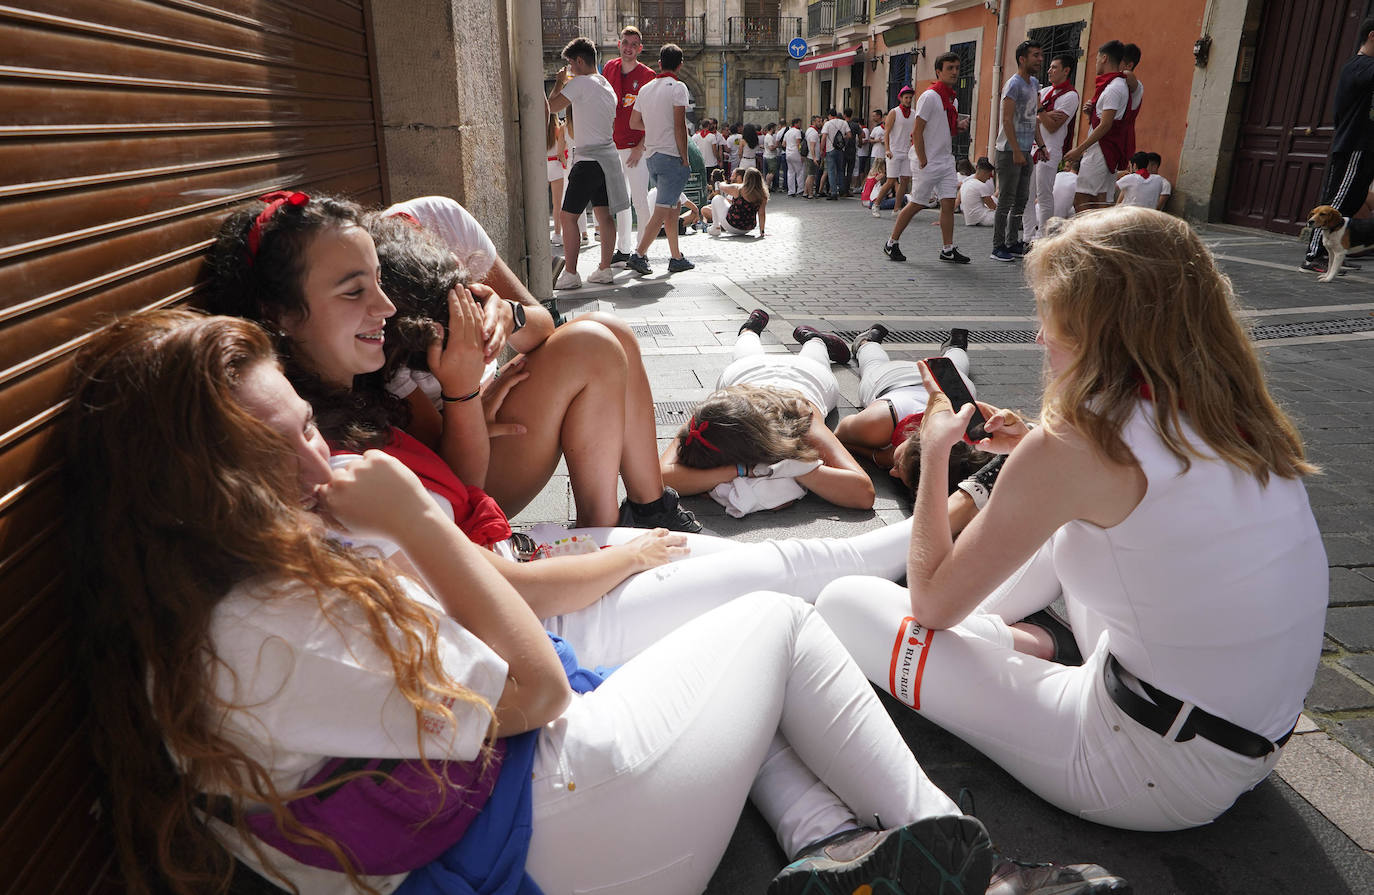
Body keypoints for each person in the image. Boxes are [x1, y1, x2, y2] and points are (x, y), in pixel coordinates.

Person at [67, 307, 1029, 895]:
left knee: (732, 654)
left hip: (513, 824)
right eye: (289, 443)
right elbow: (537, 693)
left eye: (311, 426)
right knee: (778, 623)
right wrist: (418, 522)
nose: (320, 451)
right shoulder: (264, 620)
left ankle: (834, 839)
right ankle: (973, 871)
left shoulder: (213, 584)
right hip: (545, 846)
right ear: (205, 480)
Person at [816, 206, 1326, 839]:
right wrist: (1031, 450)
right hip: (1249, 736)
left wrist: (941, 445)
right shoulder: (1237, 415)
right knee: (1060, 531)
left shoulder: (1081, 442)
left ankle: (997, 642)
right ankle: (1002, 641)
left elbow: (929, 601)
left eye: (1049, 317)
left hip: (1146, 772)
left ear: (1097, 331)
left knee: (843, 602)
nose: (1038, 337)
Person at [202, 192, 703, 536]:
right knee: (593, 343)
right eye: (357, 289)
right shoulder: (368, 351)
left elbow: (541, 323)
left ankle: (648, 505)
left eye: (375, 282)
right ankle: (602, 529)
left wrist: (504, 315)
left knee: (608, 330)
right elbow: (440, 475)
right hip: (464, 456)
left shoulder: (437, 222)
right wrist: (468, 397)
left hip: (477, 424)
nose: (384, 307)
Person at [662, 310, 879, 512]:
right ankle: (750, 331)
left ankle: (816, 339)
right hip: (746, 371)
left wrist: (790, 468)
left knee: (814, 358)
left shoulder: (802, 421)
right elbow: (659, 477)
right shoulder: (715, 416)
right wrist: (740, 470)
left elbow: (864, 493)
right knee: (746, 357)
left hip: (807, 375)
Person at [835, 325, 994, 505]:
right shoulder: (878, 423)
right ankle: (866, 342)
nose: (892, 472)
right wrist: (875, 455)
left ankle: (956, 347)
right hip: (896, 379)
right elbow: (838, 435)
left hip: (954, 384)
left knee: (956, 368)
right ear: (913, 441)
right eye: (900, 465)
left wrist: (884, 456)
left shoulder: (975, 444)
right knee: (873, 365)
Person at [547, 37, 626, 289]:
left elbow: (551, 107)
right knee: (604, 215)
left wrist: (559, 82)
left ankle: (570, 273)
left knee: (568, 217)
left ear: (580, 61)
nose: (569, 69)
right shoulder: (606, 85)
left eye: (570, 64)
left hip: (588, 160)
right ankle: (604, 269)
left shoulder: (580, 83)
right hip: (608, 159)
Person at [1302, 16, 1374, 274]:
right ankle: (1313, 257)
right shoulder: (1359, 66)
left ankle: (1334, 253)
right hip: (1354, 145)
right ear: (1372, 36)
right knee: (1336, 202)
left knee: (1352, 201)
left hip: (1367, 147)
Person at [884, 54, 971, 265]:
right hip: (927, 161)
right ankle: (891, 243)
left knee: (948, 204)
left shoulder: (952, 99)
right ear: (938, 72)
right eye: (950, 68)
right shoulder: (929, 96)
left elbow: (942, 130)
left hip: (946, 160)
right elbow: (918, 129)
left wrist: (957, 127)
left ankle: (947, 249)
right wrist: (922, 159)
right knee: (917, 204)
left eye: (957, 68)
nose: (954, 72)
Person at [622, 43, 696, 277]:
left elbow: (634, 123)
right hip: (671, 157)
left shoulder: (645, 89)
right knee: (662, 211)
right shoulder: (678, 88)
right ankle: (639, 254)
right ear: (680, 65)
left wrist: (653, 128)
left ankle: (676, 257)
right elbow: (679, 127)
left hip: (651, 156)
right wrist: (685, 157)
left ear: (660, 64)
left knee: (672, 207)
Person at [602, 25, 655, 269]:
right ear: (619, 44)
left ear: (640, 48)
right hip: (613, 146)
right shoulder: (610, 68)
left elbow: (654, 117)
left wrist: (640, 147)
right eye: (626, 43)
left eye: (634, 44)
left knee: (640, 201)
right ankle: (623, 249)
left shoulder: (647, 76)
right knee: (619, 202)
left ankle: (640, 251)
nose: (629, 48)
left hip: (636, 149)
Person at [1064, 41, 1130, 213]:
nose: (1096, 63)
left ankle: (1088, 236)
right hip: (1102, 149)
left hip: (1100, 149)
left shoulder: (1114, 88)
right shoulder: (1115, 85)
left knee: (1083, 198)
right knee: (1101, 197)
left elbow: (1106, 124)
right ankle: (1100, 237)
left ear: (1104, 58)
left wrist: (1079, 149)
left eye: (1097, 58)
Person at [991, 40, 1042, 262]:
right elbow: (1006, 119)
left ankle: (1013, 242)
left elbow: (1033, 118)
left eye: (1041, 55)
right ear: (1022, 59)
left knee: (1021, 199)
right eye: (1035, 55)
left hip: (1025, 150)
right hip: (1009, 151)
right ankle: (998, 246)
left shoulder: (1034, 84)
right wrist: (1016, 151)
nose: (1040, 59)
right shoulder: (1013, 84)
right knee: (1006, 199)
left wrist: (1041, 145)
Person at [1029, 53, 1078, 240]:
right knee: (1028, 194)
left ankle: (1043, 236)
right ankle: (1028, 234)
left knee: (1044, 195)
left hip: (1050, 149)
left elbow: (1051, 125)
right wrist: (1045, 114)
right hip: (1033, 147)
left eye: (1054, 67)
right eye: (1049, 67)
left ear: (1066, 71)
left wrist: (1040, 109)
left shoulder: (1070, 96)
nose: (1049, 71)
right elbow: (1029, 118)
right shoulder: (1047, 91)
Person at [871, 87, 916, 217]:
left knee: (905, 180)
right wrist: (887, 149)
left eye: (910, 98)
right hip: (894, 151)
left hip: (907, 151)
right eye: (906, 97)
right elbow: (887, 132)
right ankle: (876, 204)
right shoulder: (894, 112)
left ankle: (896, 209)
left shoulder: (914, 113)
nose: (908, 100)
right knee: (890, 181)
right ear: (901, 98)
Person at [704, 166, 769, 237]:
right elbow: (761, 214)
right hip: (748, 228)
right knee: (728, 205)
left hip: (732, 225)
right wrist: (762, 232)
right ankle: (716, 227)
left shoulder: (738, 189)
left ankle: (715, 227)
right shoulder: (762, 195)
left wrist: (722, 182)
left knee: (717, 198)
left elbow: (722, 187)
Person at [546, 112, 569, 248]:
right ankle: (557, 234)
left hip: (543, 165)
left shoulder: (539, 129)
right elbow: (563, 148)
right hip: (556, 165)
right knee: (557, 203)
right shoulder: (558, 130)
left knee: (540, 203)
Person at [819, 109, 849, 200]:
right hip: (840, 149)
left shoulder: (828, 124)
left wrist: (821, 149)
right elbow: (849, 135)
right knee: (840, 170)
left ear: (829, 116)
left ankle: (833, 192)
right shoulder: (844, 123)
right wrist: (843, 141)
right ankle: (842, 190)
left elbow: (824, 137)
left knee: (831, 171)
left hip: (830, 149)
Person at [960, 158, 998, 227]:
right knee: (1006, 215)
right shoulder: (981, 185)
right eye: (989, 175)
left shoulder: (966, 183)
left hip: (970, 219)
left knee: (993, 198)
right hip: (982, 218)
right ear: (984, 173)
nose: (989, 178)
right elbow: (992, 206)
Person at [783, 117, 806, 196]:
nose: (800, 124)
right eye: (799, 123)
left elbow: (783, 144)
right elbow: (798, 144)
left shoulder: (787, 132)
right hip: (795, 153)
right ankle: (800, 189)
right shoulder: (797, 132)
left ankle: (791, 191)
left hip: (788, 153)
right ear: (796, 123)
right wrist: (801, 154)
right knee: (800, 171)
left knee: (790, 172)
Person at [850, 108, 870, 194]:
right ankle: (856, 185)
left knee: (859, 169)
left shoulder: (863, 130)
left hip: (861, 152)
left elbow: (864, 138)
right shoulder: (860, 130)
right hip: (858, 152)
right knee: (857, 169)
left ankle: (858, 185)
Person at [804, 115, 822, 198]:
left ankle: (805, 192)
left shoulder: (810, 130)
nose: (820, 123)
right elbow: (812, 146)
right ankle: (810, 193)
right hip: (812, 157)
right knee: (811, 176)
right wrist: (814, 158)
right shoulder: (813, 133)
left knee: (810, 175)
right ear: (814, 122)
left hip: (810, 156)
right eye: (818, 121)